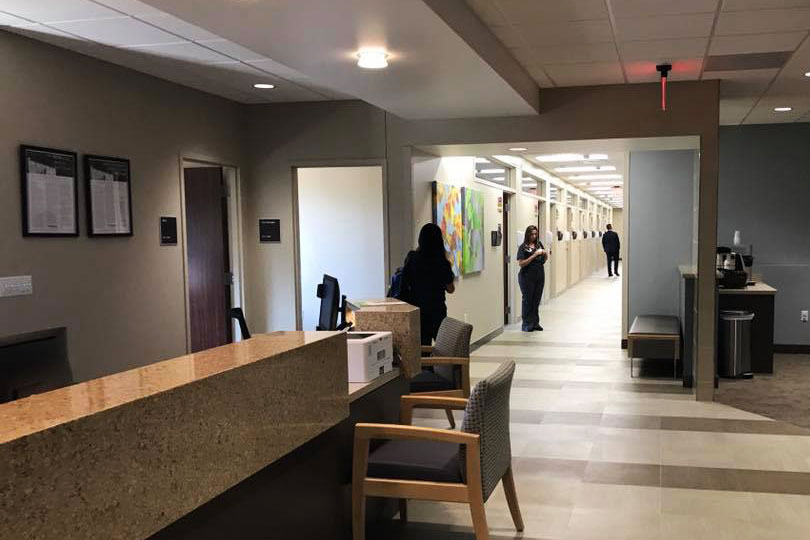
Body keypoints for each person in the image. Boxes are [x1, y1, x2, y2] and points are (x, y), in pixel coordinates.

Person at [402, 223, 456, 345]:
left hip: (416, 311)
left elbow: (406, 279)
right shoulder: (442, 263)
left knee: (421, 349)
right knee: (441, 348)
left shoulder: (412, 258)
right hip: (437, 310)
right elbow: (450, 289)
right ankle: (436, 364)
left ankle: (425, 364)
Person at [516, 225, 547, 332]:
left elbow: (544, 259)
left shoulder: (539, 244)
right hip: (526, 277)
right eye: (532, 234)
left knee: (536, 300)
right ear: (527, 235)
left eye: (535, 234)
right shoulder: (523, 247)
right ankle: (526, 324)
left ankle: (535, 323)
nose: (534, 236)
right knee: (527, 300)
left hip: (539, 275)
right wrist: (534, 255)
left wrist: (545, 253)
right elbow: (521, 263)